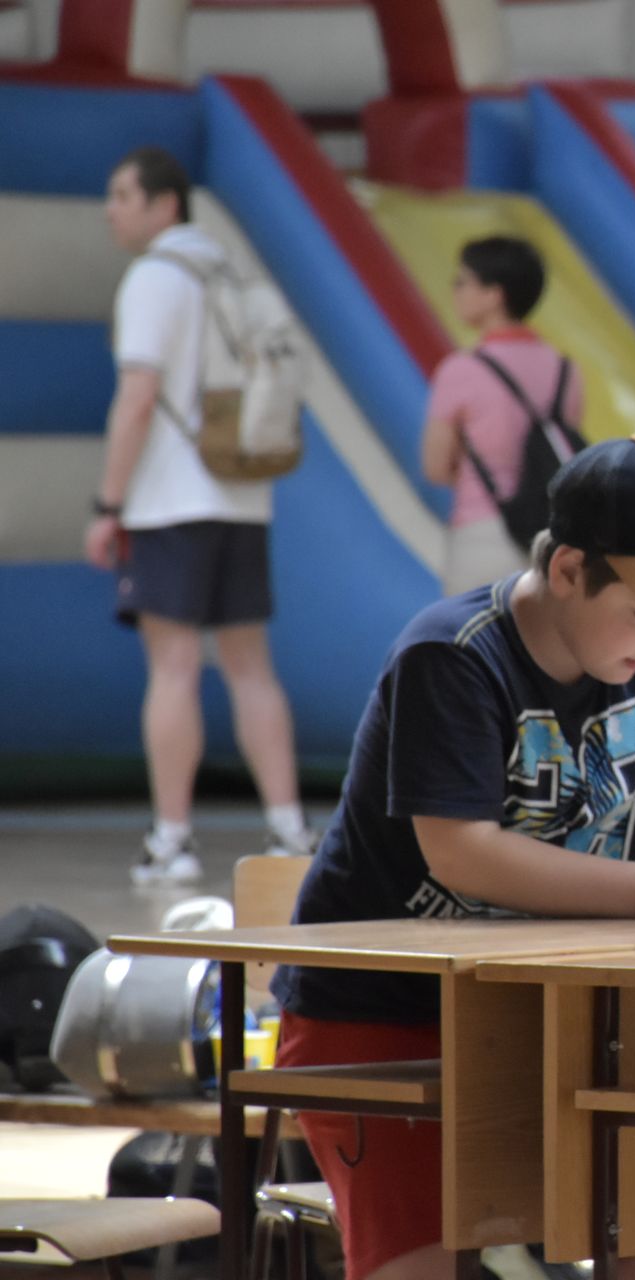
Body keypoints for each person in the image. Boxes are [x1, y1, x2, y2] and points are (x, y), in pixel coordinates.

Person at [269, 436, 635, 1280]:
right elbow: (462, 855)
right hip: (384, 1019)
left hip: (557, 1018)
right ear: (569, 569)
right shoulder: (454, 654)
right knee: (421, 1263)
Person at [84, 145, 313, 886]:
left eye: (123, 196)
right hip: (242, 494)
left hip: (169, 501)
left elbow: (137, 397)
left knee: (173, 666)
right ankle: (289, 829)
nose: (111, 211)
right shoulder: (229, 271)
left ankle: (173, 840)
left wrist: (108, 503)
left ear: (164, 204)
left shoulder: (154, 277)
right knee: (251, 666)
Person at [421, 235, 585, 595]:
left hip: (483, 534)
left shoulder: (462, 370)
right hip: (551, 541)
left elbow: (436, 467)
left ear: (494, 294)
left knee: (474, 631)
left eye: (462, 281)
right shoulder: (565, 370)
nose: (455, 291)